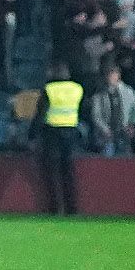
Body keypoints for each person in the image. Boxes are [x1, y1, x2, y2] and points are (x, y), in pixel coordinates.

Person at [39, 60, 83, 212]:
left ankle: (56, 208)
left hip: (52, 132)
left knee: (53, 173)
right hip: (71, 132)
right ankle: (72, 208)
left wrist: (32, 135)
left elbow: (40, 113)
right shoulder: (77, 88)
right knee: (69, 172)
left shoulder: (50, 89)